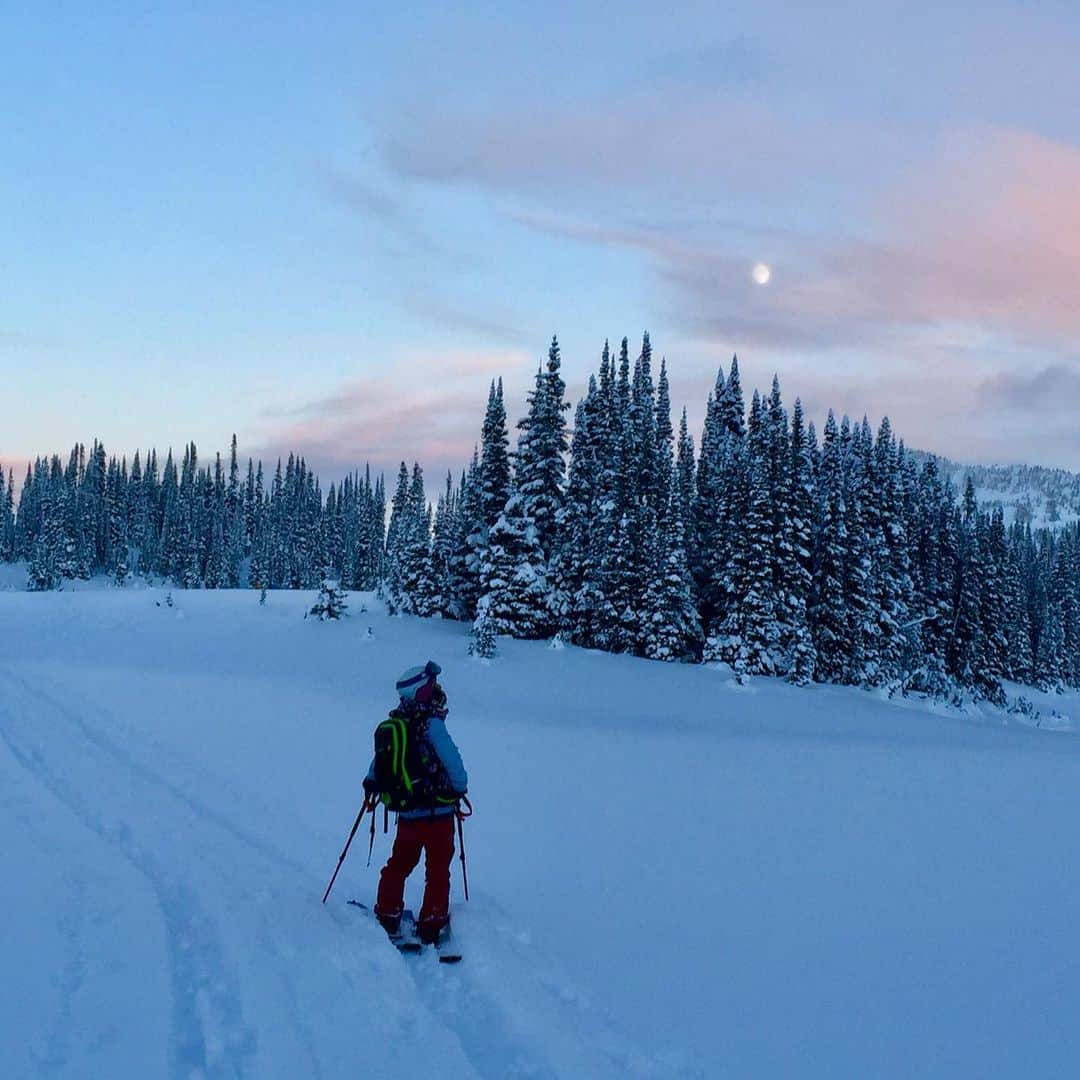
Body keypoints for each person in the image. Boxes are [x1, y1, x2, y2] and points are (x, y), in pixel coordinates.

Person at [363, 660, 468, 944]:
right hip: (440, 813)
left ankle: (388, 913)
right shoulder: (432, 724)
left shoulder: (396, 723)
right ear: (422, 691)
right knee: (437, 869)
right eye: (433, 688)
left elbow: (380, 763)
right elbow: (453, 763)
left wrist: (371, 784)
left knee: (399, 863)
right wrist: (459, 788)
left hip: (409, 814)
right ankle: (432, 922)